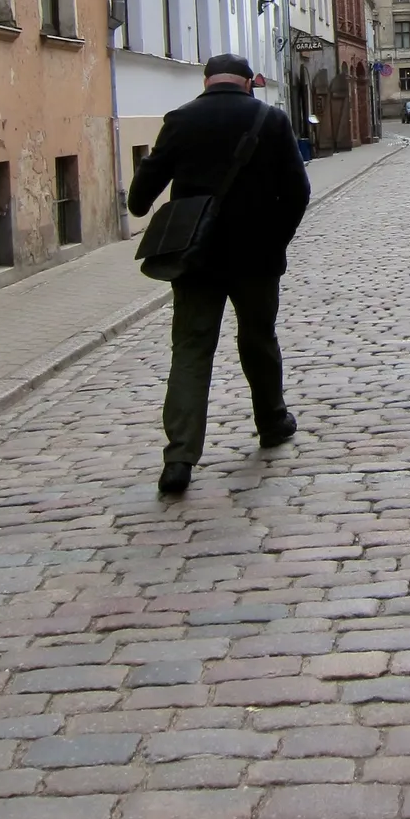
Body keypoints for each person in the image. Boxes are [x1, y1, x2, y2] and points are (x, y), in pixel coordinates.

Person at [128, 53, 311, 497]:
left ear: (206, 81)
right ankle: (272, 422)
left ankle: (179, 458)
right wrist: (277, 239)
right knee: (258, 339)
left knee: (191, 351)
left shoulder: (181, 119)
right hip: (256, 257)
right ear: (248, 83)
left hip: (195, 258)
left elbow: (139, 198)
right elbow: (298, 191)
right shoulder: (270, 119)